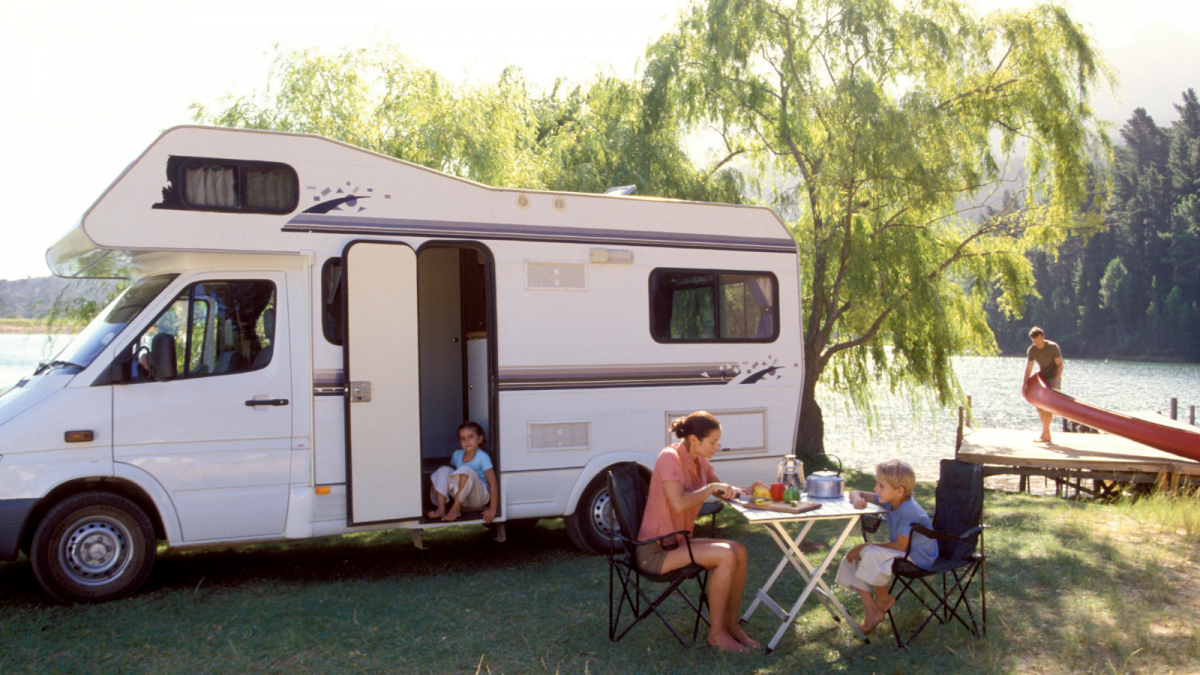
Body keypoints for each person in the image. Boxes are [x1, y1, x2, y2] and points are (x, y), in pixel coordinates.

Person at [637, 411, 763, 652]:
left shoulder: (700, 461)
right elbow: (679, 502)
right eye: (713, 442)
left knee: (739, 550)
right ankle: (716, 634)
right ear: (694, 439)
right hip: (654, 551)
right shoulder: (669, 457)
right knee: (725, 555)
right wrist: (710, 488)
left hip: (677, 543)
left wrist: (747, 491)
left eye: (718, 442)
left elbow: (720, 491)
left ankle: (731, 626)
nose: (717, 447)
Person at [839, 459, 937, 634]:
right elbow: (856, 491)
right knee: (852, 557)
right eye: (877, 484)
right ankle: (872, 610)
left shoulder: (909, 511)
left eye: (881, 486)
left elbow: (900, 545)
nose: (876, 489)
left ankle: (882, 598)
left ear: (899, 491)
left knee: (868, 552)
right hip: (904, 551)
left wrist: (866, 545)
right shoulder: (893, 500)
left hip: (918, 557)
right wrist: (857, 498)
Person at [428, 421, 498, 523]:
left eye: (471, 437)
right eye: (463, 438)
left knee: (465, 470)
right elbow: (453, 477)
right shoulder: (457, 455)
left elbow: (493, 484)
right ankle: (441, 508)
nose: (467, 441)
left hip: (479, 497)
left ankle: (455, 509)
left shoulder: (483, 457)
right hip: (463, 497)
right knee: (443, 470)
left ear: (480, 439)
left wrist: (492, 509)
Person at [1022, 326, 1065, 443]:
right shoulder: (1032, 350)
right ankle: (1046, 433)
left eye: (1039, 341)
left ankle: (1044, 434)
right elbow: (1028, 368)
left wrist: (1056, 380)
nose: (1038, 344)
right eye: (1035, 342)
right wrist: (1024, 385)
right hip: (1041, 377)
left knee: (1049, 407)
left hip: (1053, 377)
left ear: (1043, 337)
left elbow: (1060, 365)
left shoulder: (1052, 347)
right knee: (1039, 407)